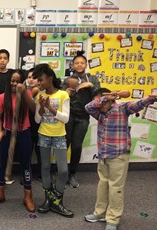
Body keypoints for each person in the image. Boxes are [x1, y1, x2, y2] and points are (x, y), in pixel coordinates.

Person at [84, 89, 157, 230]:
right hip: (103, 154)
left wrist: (154, 98)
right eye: (99, 102)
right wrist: (104, 99)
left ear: (112, 100)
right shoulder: (99, 113)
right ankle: (99, 213)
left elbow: (139, 103)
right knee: (103, 184)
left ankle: (113, 219)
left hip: (119, 154)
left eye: (104, 101)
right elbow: (88, 107)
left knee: (116, 187)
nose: (100, 105)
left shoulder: (122, 108)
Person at [0, 70, 36, 212]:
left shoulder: (28, 94)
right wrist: (0, 131)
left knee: (26, 164)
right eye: (12, 81)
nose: (14, 83)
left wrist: (24, 92)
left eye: (18, 81)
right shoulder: (2, 97)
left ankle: (28, 196)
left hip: (23, 133)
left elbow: (33, 108)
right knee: (3, 163)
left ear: (23, 82)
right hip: (8, 133)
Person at [33, 63, 73, 218]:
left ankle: (57, 199)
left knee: (63, 170)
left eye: (41, 80)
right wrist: (42, 107)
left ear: (50, 78)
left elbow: (66, 118)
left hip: (59, 135)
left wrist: (50, 107)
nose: (39, 83)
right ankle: (48, 200)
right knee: (44, 168)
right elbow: (37, 120)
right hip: (43, 134)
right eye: (38, 80)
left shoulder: (63, 94)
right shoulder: (39, 96)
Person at [62, 50, 101, 188]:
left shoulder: (93, 79)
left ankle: (72, 174)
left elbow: (98, 95)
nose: (79, 65)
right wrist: (68, 92)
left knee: (77, 146)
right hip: (69, 116)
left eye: (82, 62)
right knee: (64, 144)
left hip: (83, 116)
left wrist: (88, 86)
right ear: (72, 65)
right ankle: (62, 174)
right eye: (76, 62)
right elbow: (61, 97)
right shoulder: (67, 80)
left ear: (86, 64)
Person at [24, 69, 42, 181]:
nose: (31, 80)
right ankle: (26, 174)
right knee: (27, 151)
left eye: (34, 78)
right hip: (27, 125)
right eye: (29, 77)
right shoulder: (23, 91)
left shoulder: (43, 92)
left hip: (40, 126)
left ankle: (41, 174)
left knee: (41, 152)